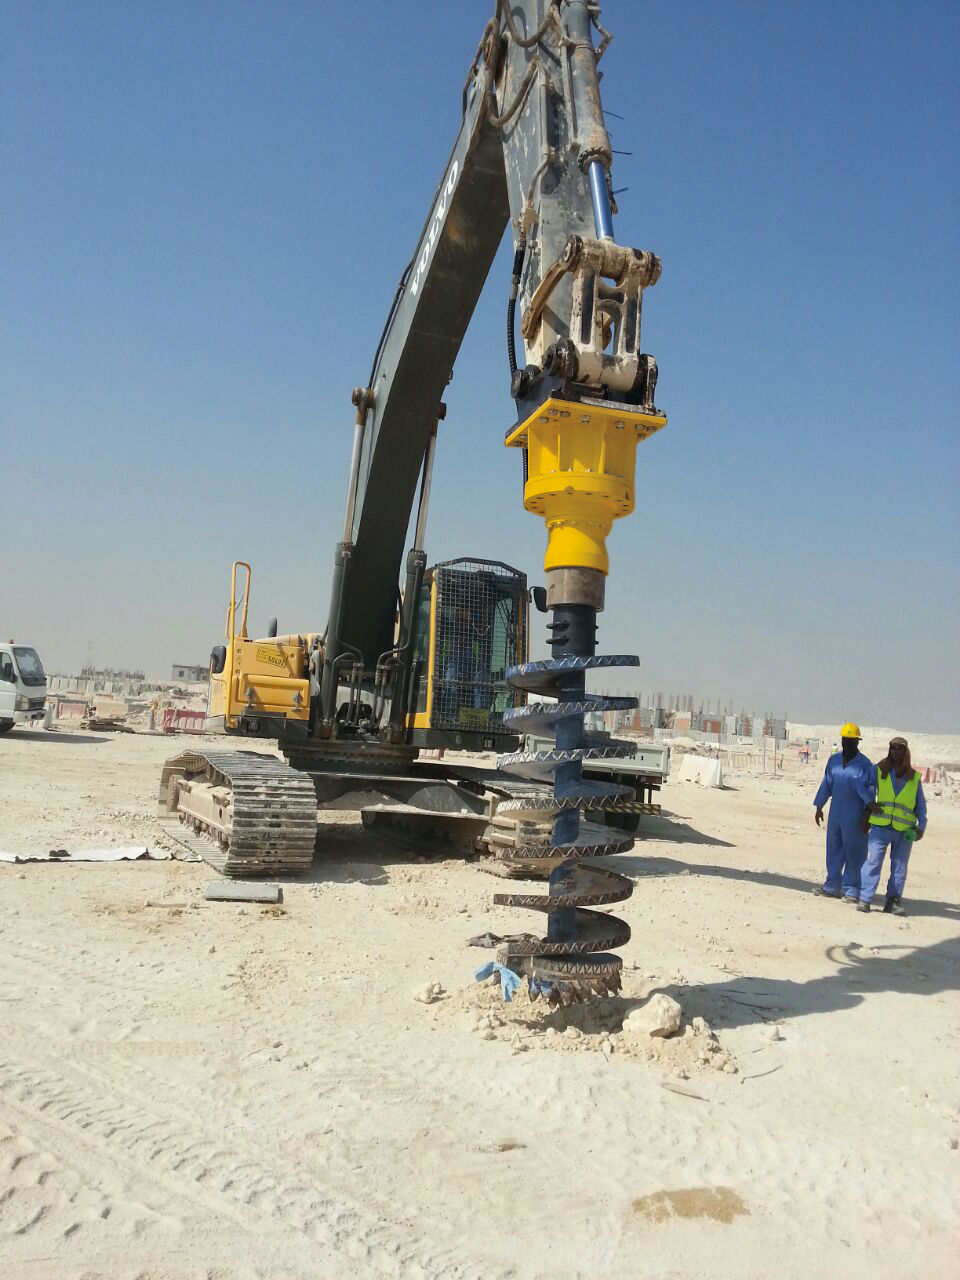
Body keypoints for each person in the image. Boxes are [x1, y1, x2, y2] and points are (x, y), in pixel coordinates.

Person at [857, 736, 927, 914]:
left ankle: (893, 902)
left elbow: (920, 805)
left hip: (904, 831)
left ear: (906, 752)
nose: (896, 751)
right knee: (873, 862)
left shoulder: (914, 777)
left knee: (899, 867)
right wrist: (869, 802)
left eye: (900, 748)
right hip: (880, 827)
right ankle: (865, 899)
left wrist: (922, 827)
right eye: (893, 748)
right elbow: (860, 784)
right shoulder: (879, 770)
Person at [811, 722, 875, 902]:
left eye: (851, 740)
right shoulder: (834, 761)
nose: (847, 743)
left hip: (856, 815)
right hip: (836, 813)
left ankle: (852, 889)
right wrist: (819, 807)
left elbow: (871, 792)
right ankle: (831, 886)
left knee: (855, 851)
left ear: (857, 742)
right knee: (834, 848)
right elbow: (827, 784)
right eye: (845, 740)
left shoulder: (865, 765)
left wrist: (867, 816)